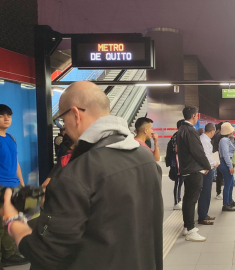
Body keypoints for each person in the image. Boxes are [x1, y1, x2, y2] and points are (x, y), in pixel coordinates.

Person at [2, 81, 164, 270]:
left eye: (63, 119)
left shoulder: (79, 171)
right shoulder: (145, 157)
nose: (65, 126)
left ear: (75, 114)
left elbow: (45, 254)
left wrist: (12, 220)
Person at [0, 104, 29, 268]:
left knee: (9, 222)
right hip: (0, 186)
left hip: (14, 186)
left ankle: (9, 254)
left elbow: (16, 164)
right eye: (2, 115)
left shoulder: (11, 138)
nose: (6, 118)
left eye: (9, 116)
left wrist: (22, 184)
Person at [177, 106, 211, 242]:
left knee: (187, 199)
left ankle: (187, 226)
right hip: (194, 170)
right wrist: (207, 165)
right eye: (197, 115)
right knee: (191, 200)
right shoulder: (190, 131)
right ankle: (191, 230)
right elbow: (198, 151)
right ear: (194, 116)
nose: (197, 117)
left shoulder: (181, 129)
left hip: (187, 169)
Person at [197, 123, 218, 225]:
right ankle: (202, 217)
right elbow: (206, 157)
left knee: (206, 193)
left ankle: (204, 214)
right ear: (212, 131)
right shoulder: (204, 141)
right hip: (206, 170)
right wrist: (215, 163)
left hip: (207, 169)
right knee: (205, 193)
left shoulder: (204, 139)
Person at [218, 122, 235, 212]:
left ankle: (230, 200)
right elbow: (226, 154)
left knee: (231, 183)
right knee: (228, 184)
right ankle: (225, 204)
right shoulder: (223, 141)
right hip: (225, 163)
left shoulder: (227, 139)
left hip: (227, 163)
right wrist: (230, 166)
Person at [165, 119, 185, 210]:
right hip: (177, 161)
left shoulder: (178, 135)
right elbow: (177, 149)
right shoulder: (178, 135)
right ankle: (177, 201)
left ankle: (179, 200)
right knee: (178, 182)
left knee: (180, 181)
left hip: (180, 161)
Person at [212, 122, 224, 200]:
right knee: (219, 176)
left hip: (216, 156)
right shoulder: (220, 136)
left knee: (219, 175)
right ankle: (219, 193)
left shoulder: (216, 135)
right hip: (218, 157)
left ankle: (218, 192)